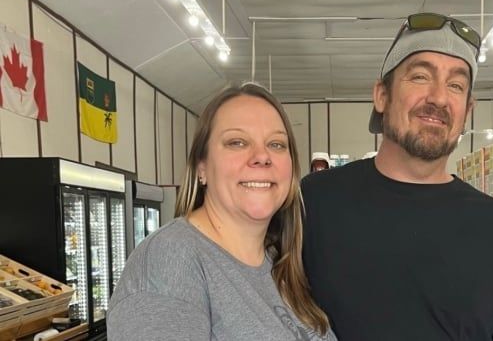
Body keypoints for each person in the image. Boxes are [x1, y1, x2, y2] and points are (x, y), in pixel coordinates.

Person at [301, 13, 493, 340]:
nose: (439, 98)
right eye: (419, 77)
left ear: (467, 111)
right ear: (381, 96)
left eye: (456, 85)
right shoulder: (314, 202)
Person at [108, 83, 337, 340]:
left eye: (276, 144)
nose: (262, 156)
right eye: (237, 142)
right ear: (201, 167)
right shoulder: (169, 262)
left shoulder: (279, 264)